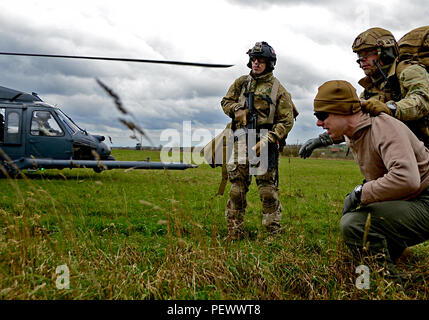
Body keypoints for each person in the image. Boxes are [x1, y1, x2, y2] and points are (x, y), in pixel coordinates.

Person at [313, 80, 429, 275]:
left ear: (342, 110)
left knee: (354, 224)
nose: (318, 122)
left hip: (424, 198)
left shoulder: (383, 127)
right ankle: (396, 253)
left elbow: (407, 179)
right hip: (410, 198)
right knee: (363, 225)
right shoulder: (355, 131)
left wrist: (360, 193)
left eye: (322, 115)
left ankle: (380, 285)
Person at [299, 27, 429, 158]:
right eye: (359, 56)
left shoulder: (410, 71)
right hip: (402, 152)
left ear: (385, 52)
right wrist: (322, 140)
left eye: (367, 53)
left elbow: (422, 100)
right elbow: (355, 122)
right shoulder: (370, 88)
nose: (362, 60)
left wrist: (390, 108)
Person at [220, 41, 298, 239]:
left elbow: (286, 121)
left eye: (261, 60)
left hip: (265, 142)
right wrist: (236, 110)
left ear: (269, 63)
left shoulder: (279, 90)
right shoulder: (241, 83)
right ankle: (234, 232)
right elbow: (225, 101)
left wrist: (270, 139)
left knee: (267, 191)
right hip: (241, 139)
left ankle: (273, 234)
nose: (256, 64)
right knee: (236, 188)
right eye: (254, 60)